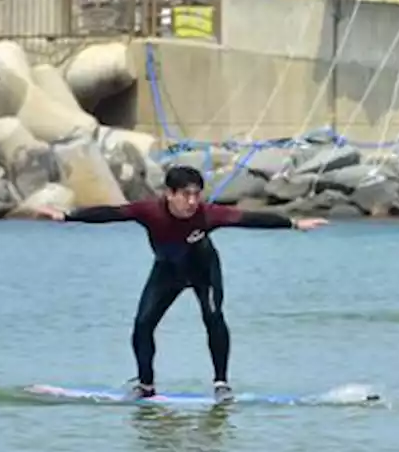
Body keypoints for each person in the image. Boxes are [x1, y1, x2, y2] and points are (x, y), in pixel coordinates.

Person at [32, 165, 327, 401]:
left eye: (196, 194)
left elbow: (247, 218)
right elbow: (110, 213)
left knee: (213, 318)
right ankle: (146, 386)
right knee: (143, 324)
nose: (192, 201)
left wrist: (293, 224)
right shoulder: (150, 212)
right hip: (167, 272)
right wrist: (67, 216)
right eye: (185, 195)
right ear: (169, 194)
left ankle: (221, 384)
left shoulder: (207, 214)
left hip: (204, 271)